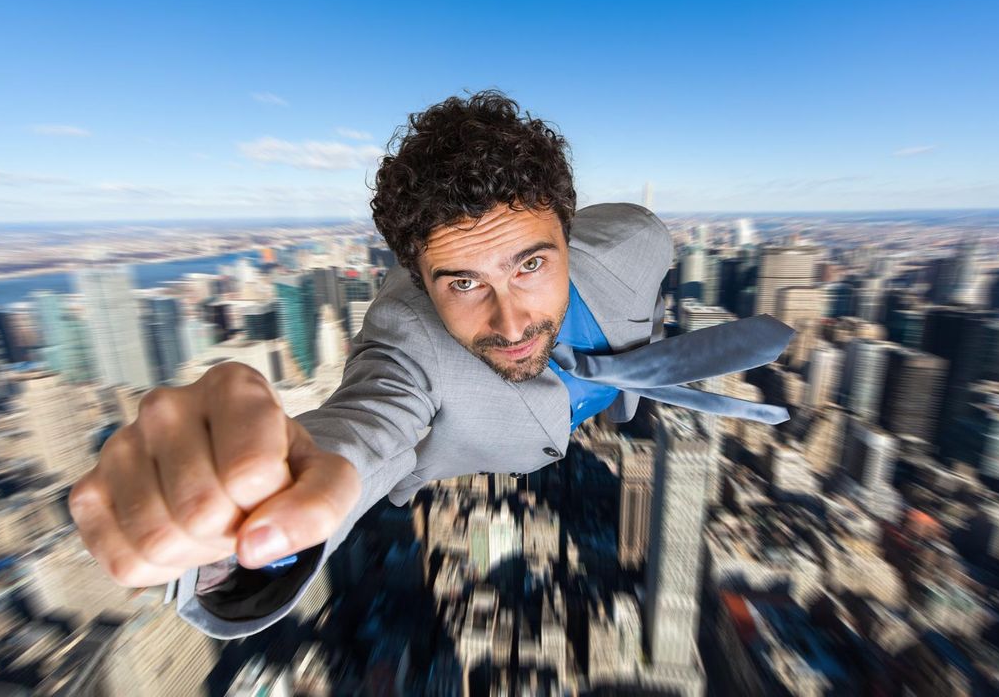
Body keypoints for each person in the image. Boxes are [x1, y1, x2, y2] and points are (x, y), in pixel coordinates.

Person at [68, 90, 792, 638]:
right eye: (462, 283)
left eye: (531, 263)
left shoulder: (637, 240)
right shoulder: (408, 341)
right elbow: (364, 429)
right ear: (418, 280)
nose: (509, 323)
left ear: (569, 237)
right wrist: (241, 529)